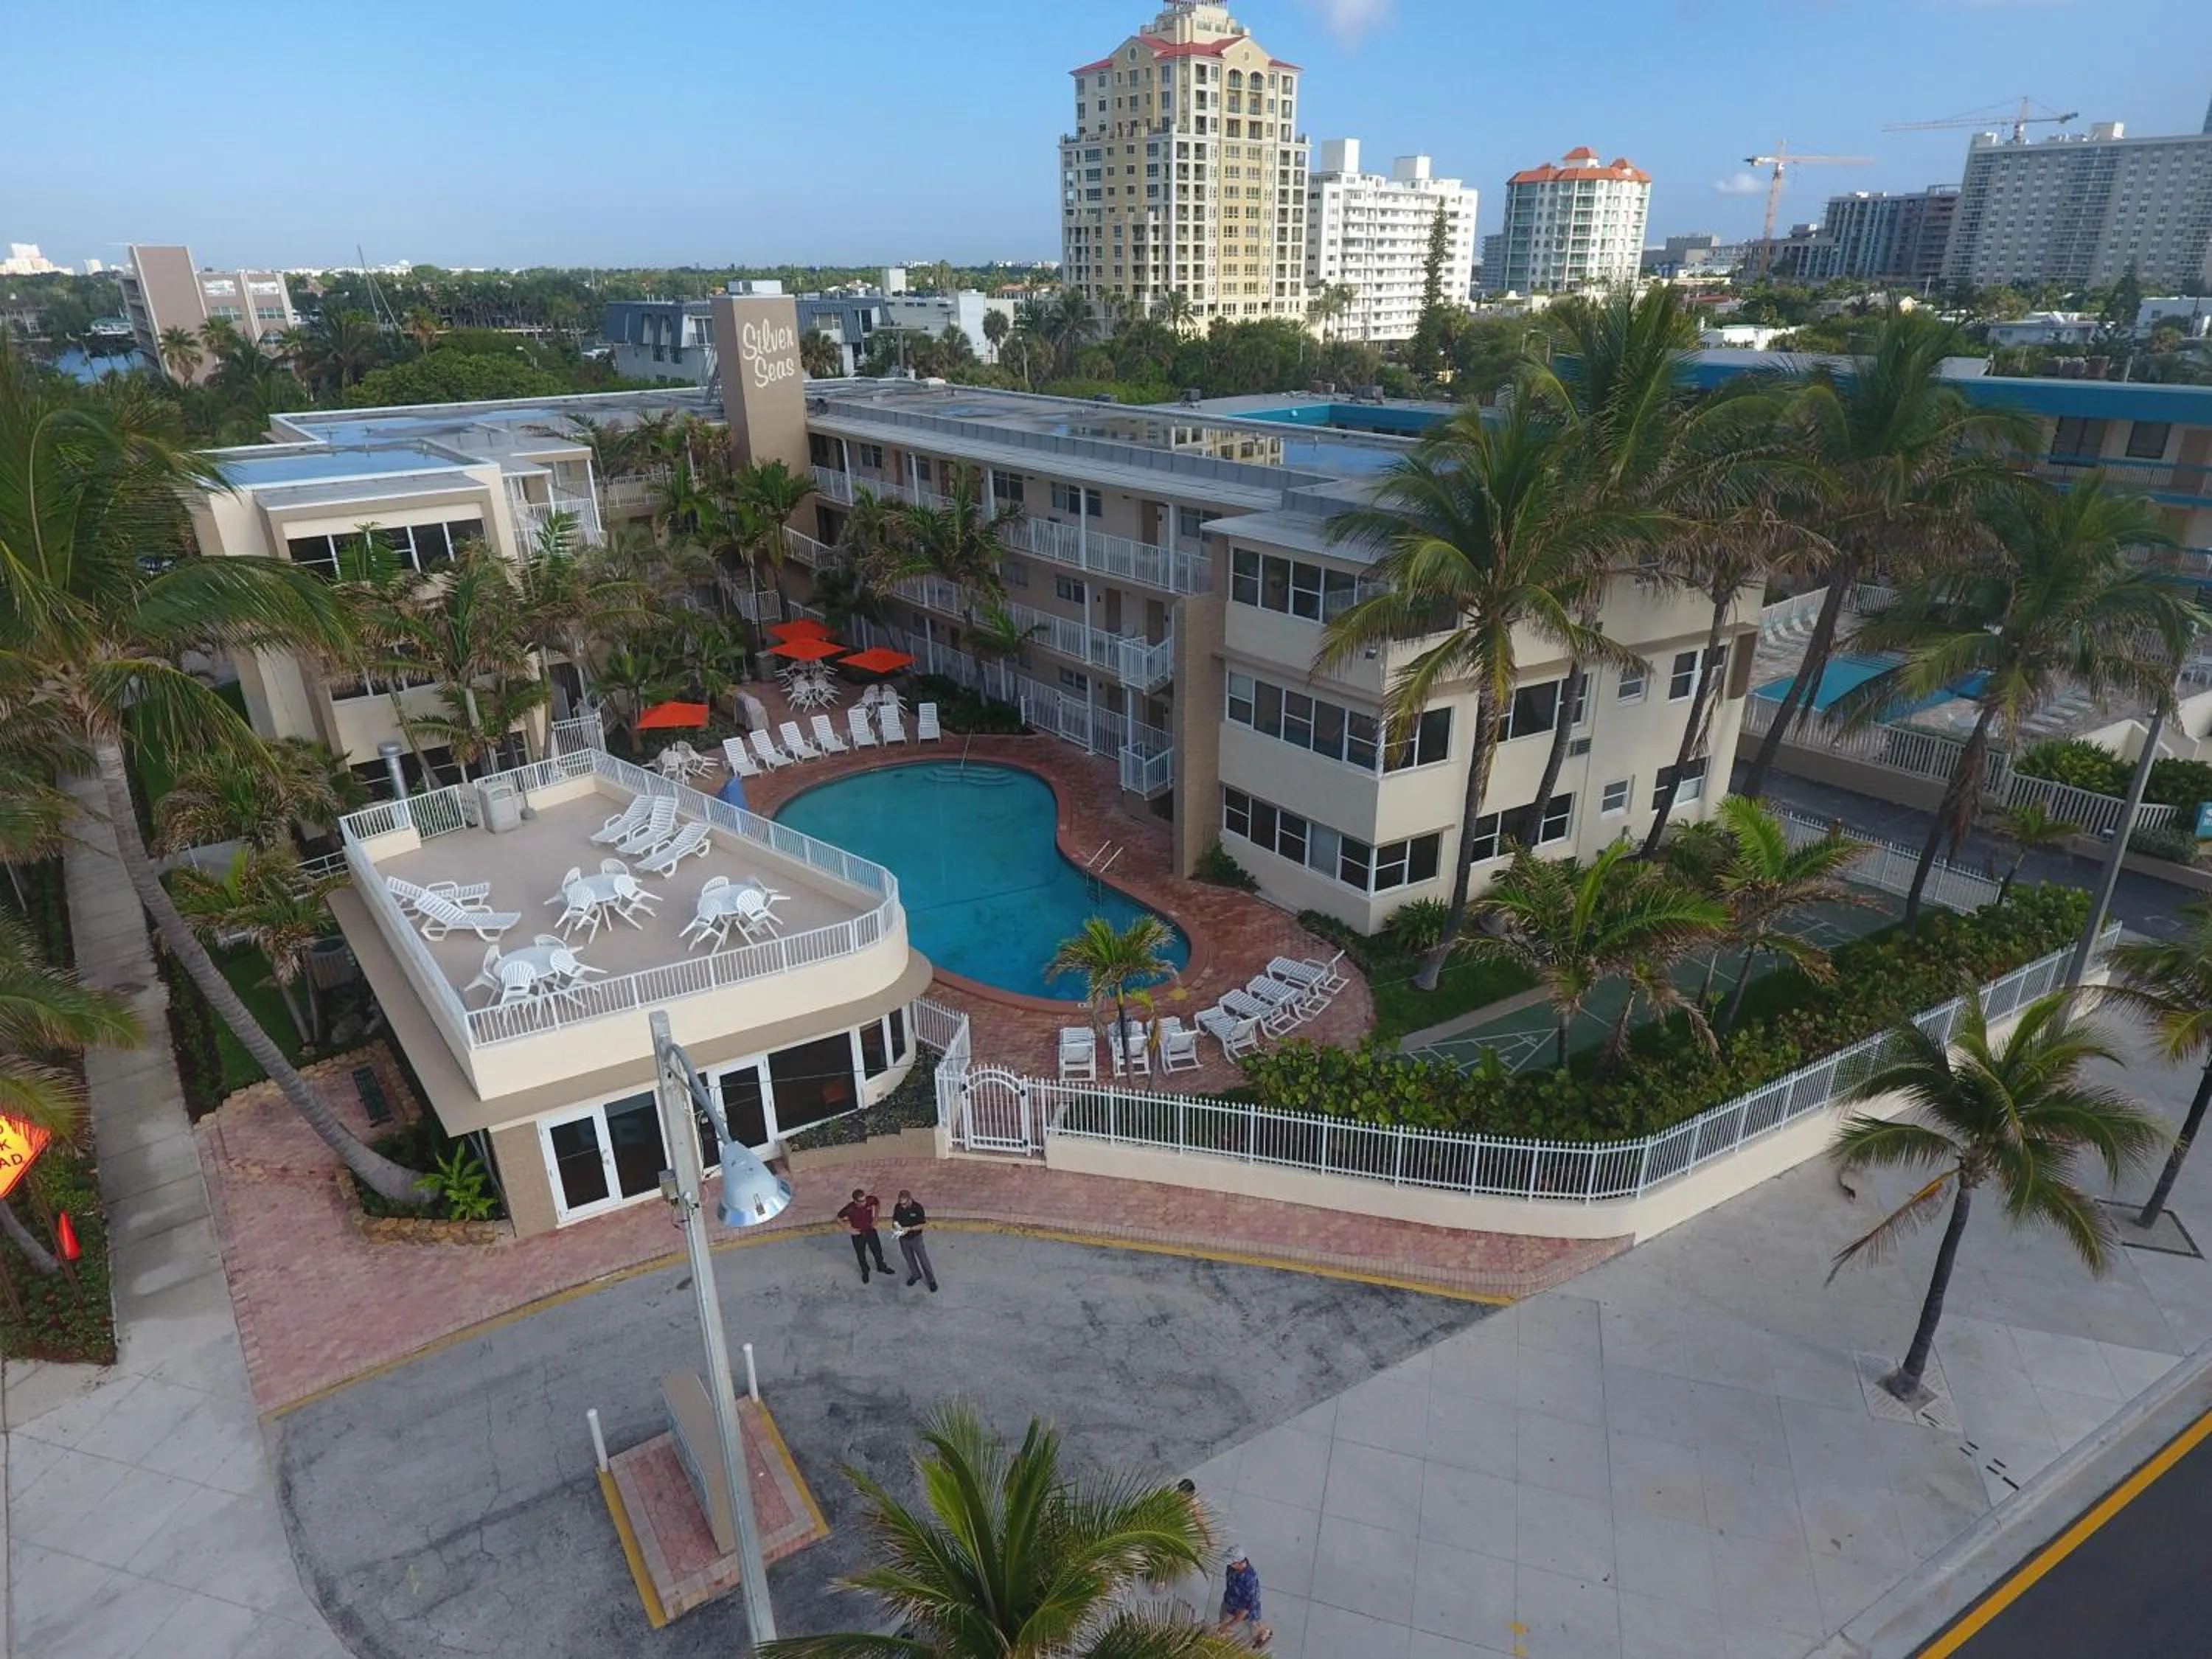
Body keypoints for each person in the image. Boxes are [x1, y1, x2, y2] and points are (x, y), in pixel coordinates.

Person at [1217, 1546, 1270, 1648]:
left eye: (1232, 1562)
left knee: (1254, 1626)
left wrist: (1230, 1624)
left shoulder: (1249, 1581)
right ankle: (1225, 1634)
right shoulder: (1231, 1568)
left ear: (1240, 1563)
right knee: (1224, 1623)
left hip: (1245, 1609)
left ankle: (1265, 1633)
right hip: (1230, 1601)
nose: (1229, 1565)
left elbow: (1245, 1609)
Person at [837, 1188, 891, 1284]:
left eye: (865, 1199)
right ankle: (865, 1271)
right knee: (861, 1254)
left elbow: (877, 1203)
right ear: (855, 1201)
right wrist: (849, 1229)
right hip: (858, 1234)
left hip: (870, 1230)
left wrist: (876, 1218)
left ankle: (881, 1266)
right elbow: (838, 1218)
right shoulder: (850, 1209)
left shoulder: (870, 1201)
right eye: (861, 1201)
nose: (864, 1202)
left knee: (877, 1250)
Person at [890, 1189, 939, 1292]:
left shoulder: (918, 1208)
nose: (902, 1206)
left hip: (916, 1239)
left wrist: (910, 1228)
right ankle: (915, 1275)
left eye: (904, 1204)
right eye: (901, 1203)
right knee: (909, 1258)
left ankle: (931, 1280)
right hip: (903, 1238)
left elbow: (922, 1224)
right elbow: (895, 1220)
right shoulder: (898, 1207)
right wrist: (896, 1227)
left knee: (923, 1260)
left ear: (909, 1200)